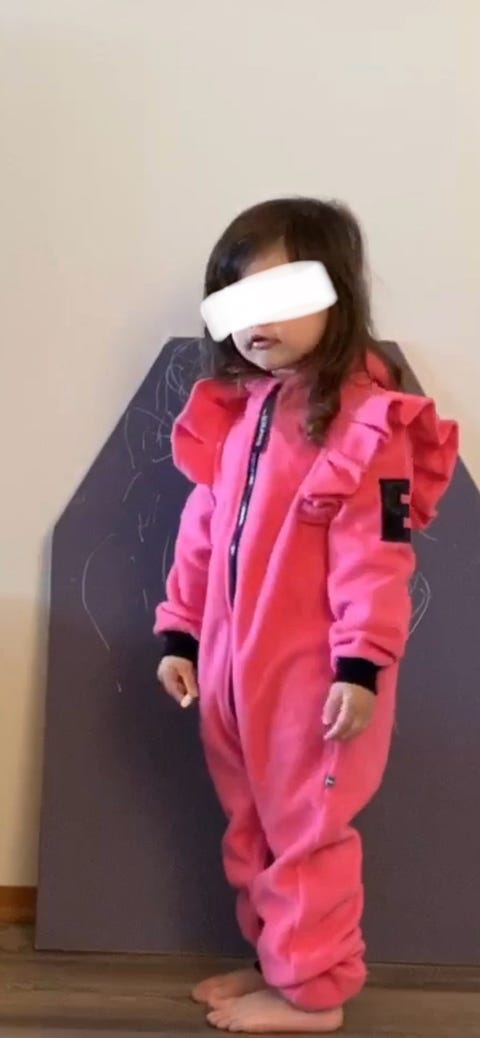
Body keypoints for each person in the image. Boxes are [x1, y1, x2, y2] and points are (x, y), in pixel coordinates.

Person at [155, 197, 458, 1034]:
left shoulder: (367, 423)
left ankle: (314, 993)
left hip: (315, 680)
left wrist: (362, 665)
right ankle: (277, 962)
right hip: (231, 670)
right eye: (237, 300)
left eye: (282, 296)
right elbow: (203, 529)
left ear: (337, 296)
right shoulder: (245, 411)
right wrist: (181, 631)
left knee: (307, 830)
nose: (257, 322)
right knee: (251, 824)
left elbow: (377, 556)